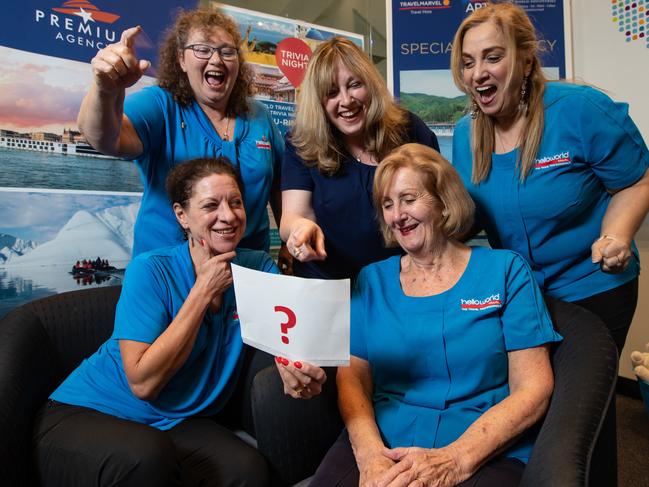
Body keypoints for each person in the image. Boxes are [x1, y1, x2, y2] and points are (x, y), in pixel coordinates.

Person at [32, 157, 325, 487]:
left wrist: (292, 367)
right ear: (181, 215)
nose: (228, 216)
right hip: (90, 410)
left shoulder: (257, 266)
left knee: (248, 472)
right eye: (210, 205)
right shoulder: (150, 270)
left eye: (236, 203)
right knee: (146, 457)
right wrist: (202, 292)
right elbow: (143, 384)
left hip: (175, 418)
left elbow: (285, 335)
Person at [310, 144, 561, 487]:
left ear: (443, 201)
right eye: (387, 204)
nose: (397, 214)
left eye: (408, 199)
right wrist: (369, 454)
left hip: (480, 444)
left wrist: (456, 459)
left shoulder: (506, 270)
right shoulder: (372, 280)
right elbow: (352, 377)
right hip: (385, 438)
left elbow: (533, 388)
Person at [450, 2, 649, 356]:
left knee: (585, 401)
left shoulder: (580, 109)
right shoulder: (467, 135)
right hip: (522, 296)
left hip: (593, 288)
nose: (477, 73)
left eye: (492, 57)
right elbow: (472, 216)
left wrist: (616, 235)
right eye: (468, 62)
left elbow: (636, 181)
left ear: (526, 62)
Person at [78, 8, 283, 257]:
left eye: (227, 51)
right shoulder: (161, 105)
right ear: (181, 60)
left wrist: (289, 241)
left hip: (248, 268)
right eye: (202, 49)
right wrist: (105, 89)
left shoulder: (259, 115)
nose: (216, 60)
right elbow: (105, 138)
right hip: (171, 270)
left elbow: (281, 184)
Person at [280, 36, 440, 279]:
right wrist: (300, 228)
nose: (346, 101)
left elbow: (440, 203)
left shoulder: (409, 129)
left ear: (370, 83)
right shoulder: (302, 143)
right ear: (319, 103)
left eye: (354, 85)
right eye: (331, 93)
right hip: (328, 286)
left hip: (404, 282)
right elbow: (292, 217)